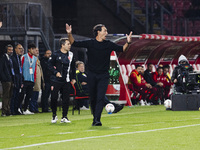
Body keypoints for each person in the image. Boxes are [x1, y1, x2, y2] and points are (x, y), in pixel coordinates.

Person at [66, 23, 132, 126]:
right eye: (105, 30)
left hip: (103, 75)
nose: (107, 32)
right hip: (91, 75)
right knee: (93, 98)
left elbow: (122, 49)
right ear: (98, 32)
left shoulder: (108, 44)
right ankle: (97, 116)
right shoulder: (90, 43)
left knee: (100, 97)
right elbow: (74, 43)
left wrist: (128, 42)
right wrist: (69, 33)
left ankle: (97, 120)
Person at [48, 38, 76, 123]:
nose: (69, 45)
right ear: (62, 45)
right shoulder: (55, 54)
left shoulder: (71, 54)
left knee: (66, 99)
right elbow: (49, 65)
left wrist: (73, 78)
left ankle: (64, 116)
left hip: (66, 80)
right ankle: (54, 115)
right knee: (54, 98)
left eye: (70, 44)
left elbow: (73, 67)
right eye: (68, 44)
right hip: (55, 80)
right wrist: (55, 72)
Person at [19, 43, 37, 115]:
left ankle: (26, 109)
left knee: (29, 95)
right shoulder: (23, 57)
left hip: (31, 79)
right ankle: (18, 108)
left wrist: (34, 79)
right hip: (24, 79)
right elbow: (20, 67)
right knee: (22, 94)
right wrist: (21, 79)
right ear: (29, 49)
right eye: (33, 49)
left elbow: (35, 69)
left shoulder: (35, 58)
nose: (34, 51)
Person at [0, 44, 15, 116]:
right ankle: (4, 111)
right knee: (6, 96)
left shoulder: (10, 58)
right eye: (9, 50)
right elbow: (1, 69)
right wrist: (4, 78)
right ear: (6, 50)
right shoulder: (3, 58)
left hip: (11, 79)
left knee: (9, 96)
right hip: (6, 80)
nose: (11, 51)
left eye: (11, 50)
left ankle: (8, 110)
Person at [29, 48, 44, 113]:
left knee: (36, 95)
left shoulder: (37, 59)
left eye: (38, 50)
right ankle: (32, 108)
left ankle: (35, 108)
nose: (37, 52)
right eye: (36, 50)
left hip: (38, 80)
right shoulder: (31, 59)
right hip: (34, 80)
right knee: (33, 95)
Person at [10, 43, 23, 115]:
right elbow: (13, 70)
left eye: (21, 49)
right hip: (15, 79)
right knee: (13, 95)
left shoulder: (18, 58)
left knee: (17, 95)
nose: (21, 50)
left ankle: (16, 109)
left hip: (19, 79)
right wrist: (14, 80)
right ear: (15, 49)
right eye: (19, 48)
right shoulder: (12, 58)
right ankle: (12, 110)